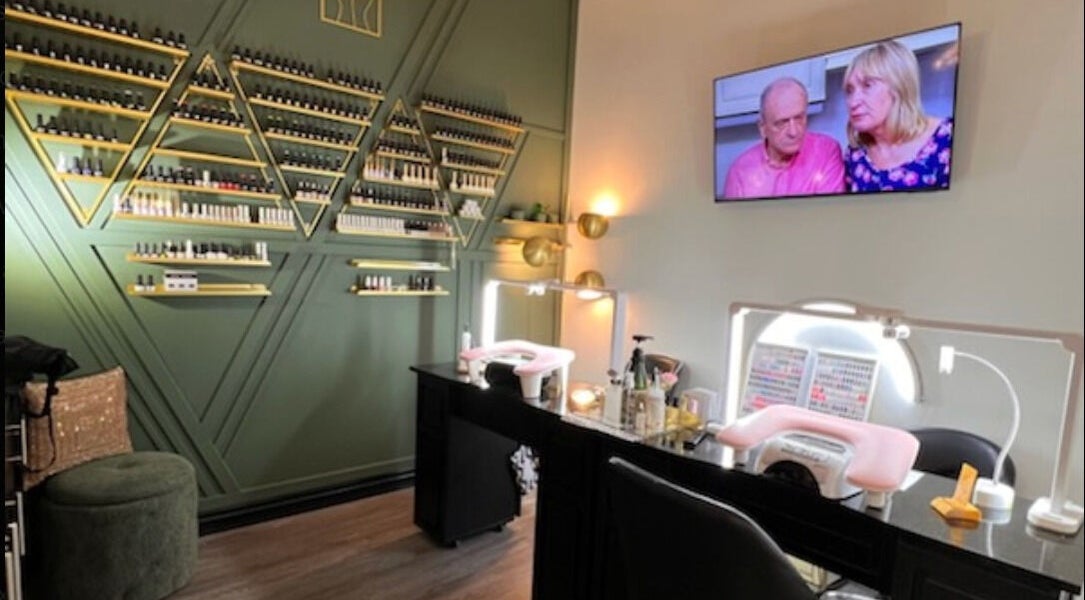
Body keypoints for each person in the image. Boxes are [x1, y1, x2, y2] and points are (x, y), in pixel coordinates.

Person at [843, 40, 953, 192]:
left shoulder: (947, 138)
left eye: (867, 85)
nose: (853, 102)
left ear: (899, 87)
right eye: (849, 90)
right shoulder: (855, 155)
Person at [722, 77, 845, 200]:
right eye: (782, 123)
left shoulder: (826, 151)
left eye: (799, 118)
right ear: (762, 128)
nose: (793, 132)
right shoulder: (740, 173)